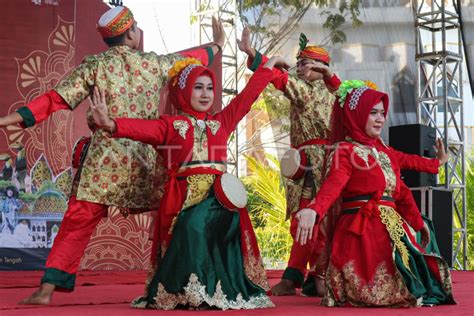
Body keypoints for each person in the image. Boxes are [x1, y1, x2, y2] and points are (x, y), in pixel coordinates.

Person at [0, 5, 224, 305]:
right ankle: (188, 284)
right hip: (146, 156)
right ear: (131, 33)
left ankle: (46, 290)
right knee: (174, 217)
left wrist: (14, 118)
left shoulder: (94, 65)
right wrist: (217, 46)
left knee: (76, 223)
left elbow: (56, 99)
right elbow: (189, 60)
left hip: (105, 161)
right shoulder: (153, 64)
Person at [89, 55, 288, 310]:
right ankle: (187, 291)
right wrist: (111, 124)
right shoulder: (171, 125)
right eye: (197, 87)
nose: (205, 94)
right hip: (182, 198)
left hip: (219, 198)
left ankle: (206, 291)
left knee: (193, 225)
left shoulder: (221, 121)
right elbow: (142, 129)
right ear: (183, 91)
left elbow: (246, 98)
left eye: (209, 88)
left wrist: (268, 67)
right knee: (188, 225)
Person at [295, 80, 455, 307]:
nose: (380, 118)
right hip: (361, 233)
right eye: (373, 113)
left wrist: (420, 225)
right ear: (357, 115)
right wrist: (314, 209)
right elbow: (333, 186)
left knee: (423, 269)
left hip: (391, 228)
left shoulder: (384, 152)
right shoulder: (345, 151)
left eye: (382, 113)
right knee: (386, 293)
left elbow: (403, 186)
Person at [238, 29, 341, 296]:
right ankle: (301, 277)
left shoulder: (316, 91)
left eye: (305, 63)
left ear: (321, 67)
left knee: (312, 219)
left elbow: (278, 78)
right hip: (305, 162)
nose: (300, 67)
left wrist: (256, 56)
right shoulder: (320, 90)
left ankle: (315, 277)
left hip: (320, 164)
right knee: (305, 219)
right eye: (299, 62)